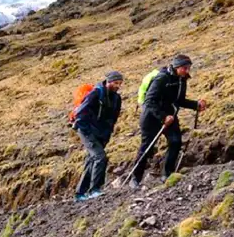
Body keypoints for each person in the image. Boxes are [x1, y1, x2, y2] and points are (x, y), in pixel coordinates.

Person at [130, 54, 207, 188]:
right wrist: (162, 116)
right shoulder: (162, 78)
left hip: (170, 116)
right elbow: (149, 100)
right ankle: (135, 178)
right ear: (177, 66)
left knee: (175, 141)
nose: (187, 71)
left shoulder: (182, 80)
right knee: (147, 147)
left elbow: (179, 100)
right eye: (185, 68)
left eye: (188, 68)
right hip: (151, 117)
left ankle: (167, 173)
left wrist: (196, 105)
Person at [73, 71, 124, 201]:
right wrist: (84, 129)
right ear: (108, 81)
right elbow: (81, 112)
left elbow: (113, 118)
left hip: (102, 133)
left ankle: (80, 193)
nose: (118, 86)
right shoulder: (96, 94)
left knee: (91, 160)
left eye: (119, 83)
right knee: (100, 157)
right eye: (115, 83)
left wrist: (107, 133)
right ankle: (94, 189)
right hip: (87, 131)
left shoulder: (117, 99)